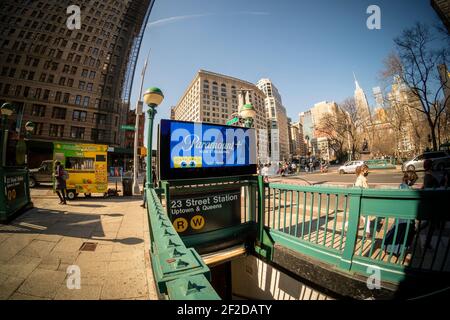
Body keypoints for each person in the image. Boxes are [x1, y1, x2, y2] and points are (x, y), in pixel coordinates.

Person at [354, 164, 371, 236]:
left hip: (363, 201)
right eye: (366, 170)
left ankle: (367, 231)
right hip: (362, 201)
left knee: (361, 218)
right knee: (365, 217)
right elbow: (357, 188)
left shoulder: (362, 178)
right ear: (362, 171)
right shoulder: (360, 179)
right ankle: (367, 232)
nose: (368, 172)